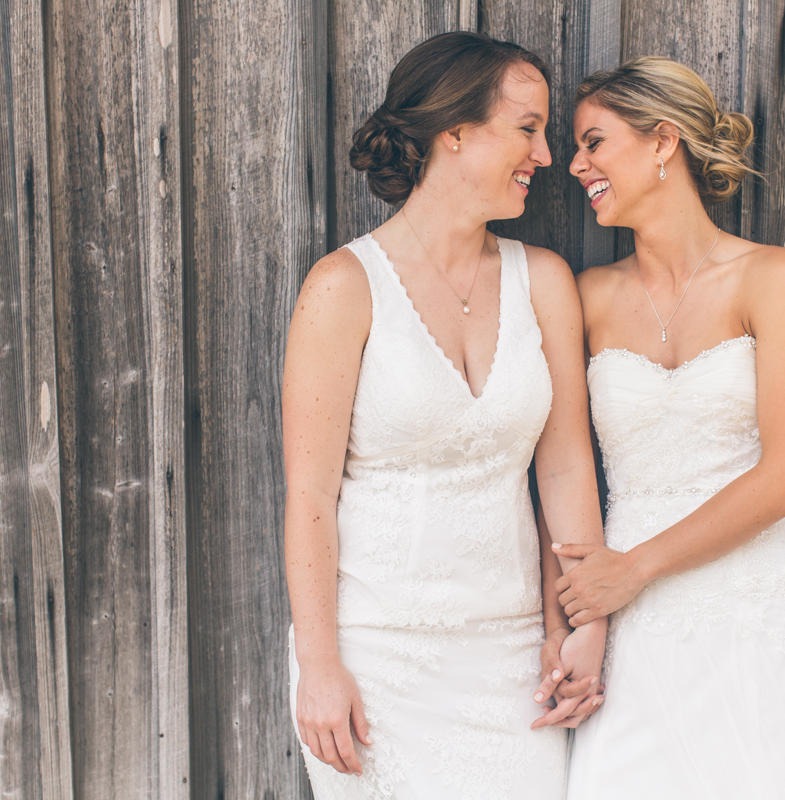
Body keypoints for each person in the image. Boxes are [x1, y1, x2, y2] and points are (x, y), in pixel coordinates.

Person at [549, 57, 785, 799]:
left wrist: (634, 567)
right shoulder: (586, 296)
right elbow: (560, 456)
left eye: (593, 142)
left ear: (662, 142)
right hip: (633, 621)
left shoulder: (773, 278)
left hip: (751, 599)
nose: (576, 165)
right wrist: (586, 610)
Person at [282, 31, 606, 799]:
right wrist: (321, 666)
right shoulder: (342, 287)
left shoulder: (546, 282)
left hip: (515, 656)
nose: (546, 155)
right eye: (527, 128)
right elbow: (310, 497)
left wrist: (583, 622)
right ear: (454, 133)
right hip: (376, 659)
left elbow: (564, 467)